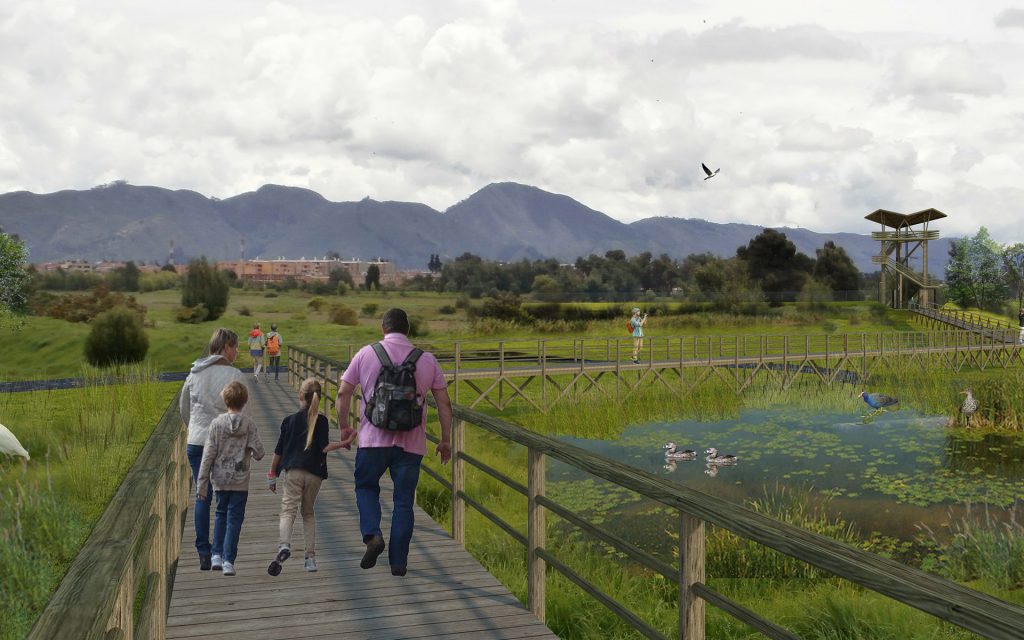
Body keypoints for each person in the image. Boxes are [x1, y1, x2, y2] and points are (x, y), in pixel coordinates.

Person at [328, 308, 453, 577]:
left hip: (372, 440)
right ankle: (398, 563)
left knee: (365, 487)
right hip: (411, 445)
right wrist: (445, 441)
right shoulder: (427, 360)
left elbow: (343, 392)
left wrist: (345, 426)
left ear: (383, 328)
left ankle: (372, 535)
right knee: (404, 501)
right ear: (407, 330)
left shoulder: (366, 353)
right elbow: (444, 404)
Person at [179, 328, 252, 571]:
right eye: (235, 347)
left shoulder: (194, 373)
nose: (237, 351)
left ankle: (203, 550)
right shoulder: (235, 376)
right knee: (224, 497)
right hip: (224, 445)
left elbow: (184, 408)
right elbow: (244, 414)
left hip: (197, 441)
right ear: (225, 347)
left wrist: (196, 430)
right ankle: (218, 554)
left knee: (202, 495)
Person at [197, 381, 265, 576]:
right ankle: (228, 561)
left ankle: (216, 554)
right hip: (240, 479)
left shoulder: (216, 425)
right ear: (245, 401)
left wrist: (202, 484)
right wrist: (250, 450)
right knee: (234, 519)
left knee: (220, 514)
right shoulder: (249, 424)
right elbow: (259, 452)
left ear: (225, 400)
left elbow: (208, 455)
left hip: (219, 478)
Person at [266, 378, 330, 575]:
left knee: (288, 511)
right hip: (315, 476)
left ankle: (284, 545)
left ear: (300, 396)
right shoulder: (323, 421)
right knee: (308, 514)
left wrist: (272, 474)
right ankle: (310, 559)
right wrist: (346, 441)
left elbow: (279, 450)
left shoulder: (289, 421)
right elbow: (325, 448)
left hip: (293, 472)